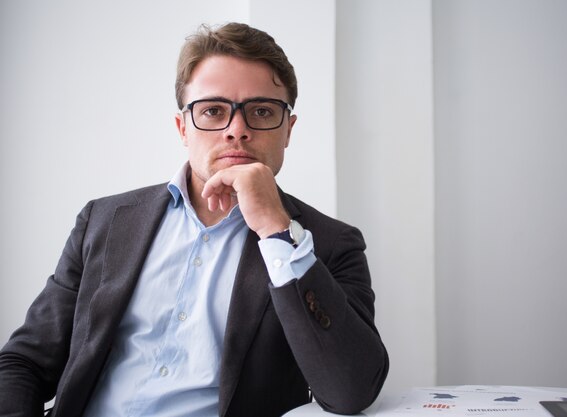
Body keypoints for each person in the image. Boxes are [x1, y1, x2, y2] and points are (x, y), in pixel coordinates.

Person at [0, 22, 389, 417]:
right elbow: (23, 363)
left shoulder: (329, 243)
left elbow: (351, 391)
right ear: (182, 127)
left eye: (261, 111)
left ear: (288, 130)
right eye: (213, 111)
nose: (237, 131)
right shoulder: (103, 221)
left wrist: (276, 229)